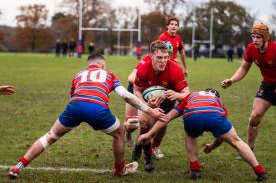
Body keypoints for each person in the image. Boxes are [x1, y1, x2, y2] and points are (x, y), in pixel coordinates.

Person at [8, 53, 164, 179]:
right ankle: (119, 169)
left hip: (74, 107)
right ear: (102, 65)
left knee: (50, 136)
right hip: (97, 109)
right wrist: (150, 110)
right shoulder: (108, 74)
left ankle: (18, 166)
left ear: (89, 65)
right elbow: (126, 96)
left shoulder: (78, 75)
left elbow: (73, 97)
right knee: (119, 134)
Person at [138, 89, 268, 181]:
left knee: (190, 136)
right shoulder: (218, 101)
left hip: (193, 116)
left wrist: (149, 134)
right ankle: (260, 171)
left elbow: (167, 117)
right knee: (236, 141)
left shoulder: (190, 96)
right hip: (214, 115)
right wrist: (211, 146)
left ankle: (194, 170)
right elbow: (222, 136)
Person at [221, 23, 276, 161]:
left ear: (265, 38)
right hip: (268, 84)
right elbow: (244, 68)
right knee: (255, 116)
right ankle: (249, 150)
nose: (255, 40)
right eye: (253, 37)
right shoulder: (251, 49)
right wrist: (232, 80)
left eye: (258, 37)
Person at [132, 40, 189, 172]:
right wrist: (145, 104)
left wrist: (176, 94)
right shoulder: (143, 69)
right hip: (148, 101)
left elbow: (187, 94)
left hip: (168, 101)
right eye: (159, 58)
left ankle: (140, 144)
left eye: (166, 57)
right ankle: (148, 156)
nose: (163, 61)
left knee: (161, 124)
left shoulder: (175, 69)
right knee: (145, 123)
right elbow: (136, 90)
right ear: (151, 56)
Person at [124, 41, 174, 149]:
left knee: (161, 122)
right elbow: (131, 78)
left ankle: (154, 147)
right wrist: (148, 85)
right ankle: (127, 132)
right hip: (136, 91)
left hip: (155, 94)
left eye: (168, 55)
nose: (164, 59)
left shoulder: (169, 63)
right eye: (160, 56)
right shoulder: (146, 62)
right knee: (132, 124)